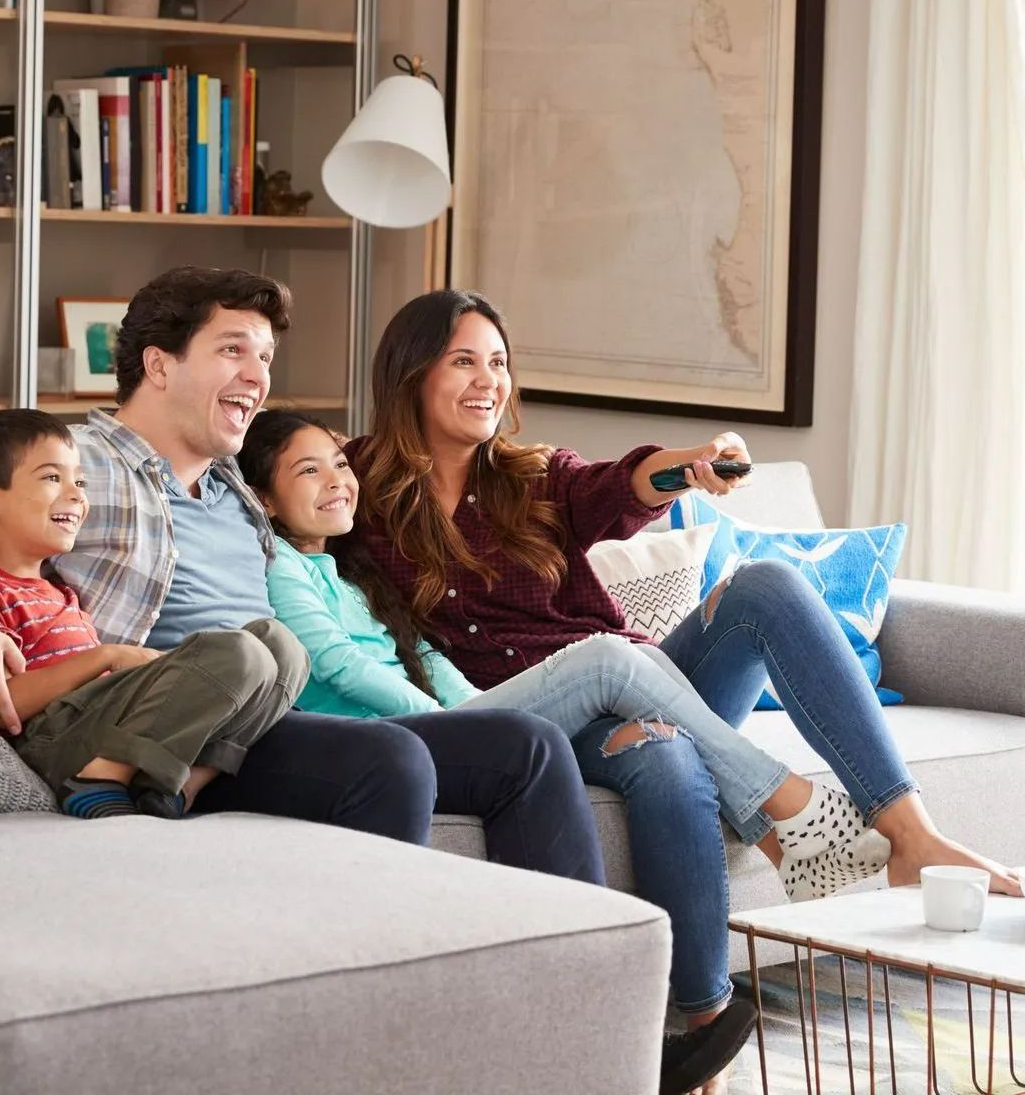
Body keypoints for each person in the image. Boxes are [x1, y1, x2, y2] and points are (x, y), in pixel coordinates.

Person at [0, 266, 755, 1095]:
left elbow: (359, 547)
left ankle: (594, 1034)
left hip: (267, 717)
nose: (257, 374)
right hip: (159, 730)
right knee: (388, 766)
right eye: (233, 350)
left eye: (267, 356)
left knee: (520, 745)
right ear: (159, 366)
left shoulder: (240, 491)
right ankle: (386, 1049)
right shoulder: (77, 457)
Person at [344, 287, 1022, 1040]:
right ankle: (706, 1024)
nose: (488, 382)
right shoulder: (353, 487)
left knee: (766, 586)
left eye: (498, 363)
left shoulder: (532, 477)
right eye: (463, 361)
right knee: (666, 760)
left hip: (640, 679)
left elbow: (626, 483)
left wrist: (693, 465)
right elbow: (282, 528)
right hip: (532, 725)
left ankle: (912, 835)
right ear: (410, 374)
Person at [237, 407, 889, 898]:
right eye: (308, 470)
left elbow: (424, 656)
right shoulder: (281, 570)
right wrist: (451, 720)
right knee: (607, 659)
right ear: (264, 499)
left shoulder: (348, 571)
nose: (336, 480)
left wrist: (476, 710)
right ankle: (789, 806)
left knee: (632, 669)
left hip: (450, 720)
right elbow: (343, 667)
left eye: (339, 464)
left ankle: (789, 837)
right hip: (393, 740)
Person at [0, 407, 306, 819]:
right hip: (56, 740)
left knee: (281, 646)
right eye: (51, 478)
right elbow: (1, 704)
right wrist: (106, 656)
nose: (78, 495)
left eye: (79, 481)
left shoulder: (62, 592)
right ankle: (99, 778)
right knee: (239, 651)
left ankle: (185, 784)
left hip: (107, 720)